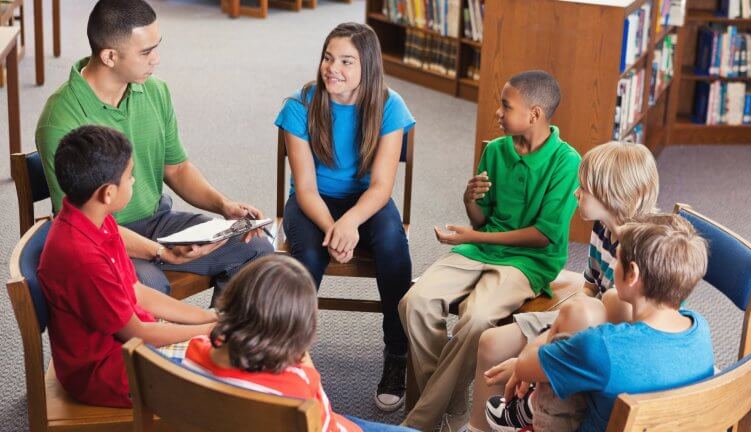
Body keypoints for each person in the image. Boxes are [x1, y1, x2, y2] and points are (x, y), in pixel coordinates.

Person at [35, 0, 272, 299]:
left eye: (156, 47)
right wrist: (160, 252)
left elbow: (176, 168)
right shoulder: (60, 121)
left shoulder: (155, 90)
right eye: (146, 52)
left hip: (158, 220)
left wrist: (224, 206)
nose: (156, 59)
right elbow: (83, 224)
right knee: (150, 286)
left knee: (257, 249)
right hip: (103, 238)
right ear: (109, 56)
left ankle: (221, 342)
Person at [398, 70, 581, 431]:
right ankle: (452, 406)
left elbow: (543, 236)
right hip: (481, 249)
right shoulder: (496, 151)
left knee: (478, 319)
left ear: (535, 114)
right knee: (413, 303)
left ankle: (419, 421)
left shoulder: (566, 161)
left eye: (505, 105)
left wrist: (473, 237)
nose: (497, 112)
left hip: (530, 263)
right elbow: (482, 220)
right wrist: (471, 202)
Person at [466, 141, 659, 431]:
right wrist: (552, 330)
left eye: (583, 188)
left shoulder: (642, 254)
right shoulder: (602, 229)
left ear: (612, 195)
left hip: (604, 339)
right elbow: (589, 288)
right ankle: (479, 427)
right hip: (582, 320)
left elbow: (618, 331)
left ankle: (527, 408)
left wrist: (538, 351)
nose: (575, 193)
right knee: (490, 344)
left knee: (532, 359)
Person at [274, 22, 415, 410]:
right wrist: (332, 227)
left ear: (367, 68)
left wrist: (351, 221)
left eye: (346, 61)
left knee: (392, 245)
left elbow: (381, 187)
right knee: (308, 256)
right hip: (314, 202)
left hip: (367, 201)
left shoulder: (390, 106)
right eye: (328, 57)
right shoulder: (299, 105)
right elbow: (304, 188)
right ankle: (290, 352)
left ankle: (397, 352)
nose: (332, 68)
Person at [37, 125, 217, 408]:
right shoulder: (83, 257)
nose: (133, 181)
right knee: (227, 383)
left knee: (226, 348)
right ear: (108, 193)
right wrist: (209, 330)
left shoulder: (95, 217)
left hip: (130, 342)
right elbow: (137, 334)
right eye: (130, 177)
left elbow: (136, 292)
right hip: (106, 373)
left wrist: (206, 318)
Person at [485, 214, 714, 432]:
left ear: (632, 274)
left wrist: (556, 331)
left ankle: (530, 407)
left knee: (571, 332)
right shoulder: (700, 328)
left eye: (618, 258)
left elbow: (525, 365)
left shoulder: (599, 347)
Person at [184, 255, 418, 432]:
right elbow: (322, 416)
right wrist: (302, 357)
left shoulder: (196, 349)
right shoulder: (297, 382)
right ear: (300, 330)